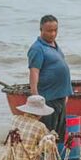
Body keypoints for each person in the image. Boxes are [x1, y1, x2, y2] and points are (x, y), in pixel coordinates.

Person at [28, 14, 72, 142]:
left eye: (55, 30)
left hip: (60, 97)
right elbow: (34, 72)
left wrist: (66, 93)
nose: (52, 34)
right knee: (47, 134)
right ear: (41, 29)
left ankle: (55, 159)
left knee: (59, 133)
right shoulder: (37, 48)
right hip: (48, 97)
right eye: (49, 31)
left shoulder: (55, 46)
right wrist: (36, 96)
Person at [2, 94, 57, 160]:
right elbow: (48, 147)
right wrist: (53, 137)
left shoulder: (14, 118)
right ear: (40, 114)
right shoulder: (40, 126)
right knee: (48, 148)